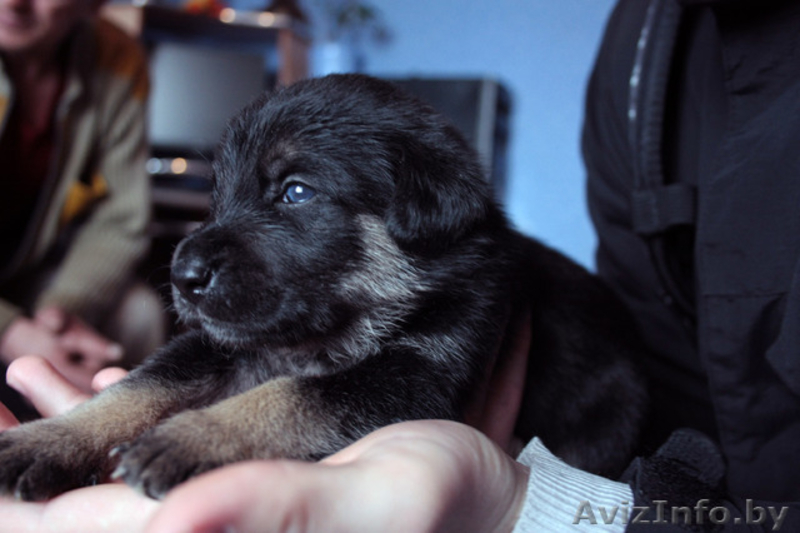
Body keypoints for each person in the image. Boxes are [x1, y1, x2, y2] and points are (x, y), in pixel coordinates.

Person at [2, 0, 800, 531]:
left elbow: (391, 389)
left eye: (295, 191)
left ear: (423, 207)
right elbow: (205, 363)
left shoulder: (460, 273)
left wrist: (219, 432)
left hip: (600, 438)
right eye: (231, 198)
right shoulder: (646, 57)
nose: (206, 247)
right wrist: (81, 434)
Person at [0, 0, 165, 418]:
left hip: (29, 281)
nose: (14, 3)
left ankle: (117, 448)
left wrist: (61, 312)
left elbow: (119, 218)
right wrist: (11, 332)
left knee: (141, 312)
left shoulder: (119, 60)